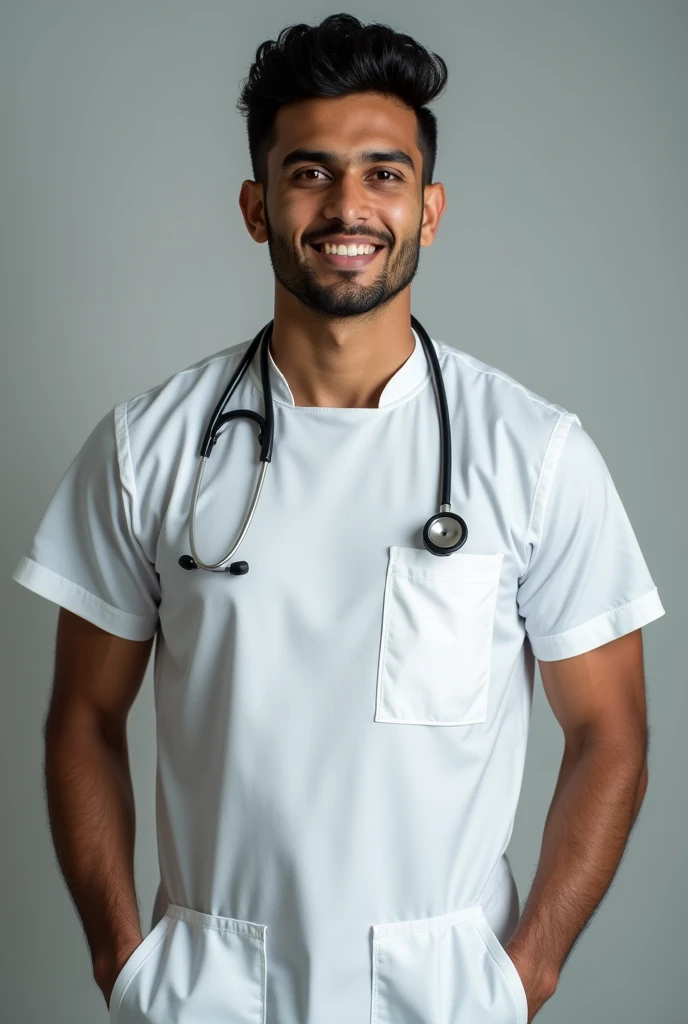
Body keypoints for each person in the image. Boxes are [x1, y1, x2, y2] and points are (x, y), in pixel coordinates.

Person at [12, 13, 665, 1024]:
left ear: (430, 208)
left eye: (383, 174)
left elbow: (610, 732)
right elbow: (82, 720)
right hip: (207, 993)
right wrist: (122, 959)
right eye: (309, 172)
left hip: (445, 996)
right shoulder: (150, 446)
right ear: (256, 205)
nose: (347, 205)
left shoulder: (531, 455)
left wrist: (524, 970)